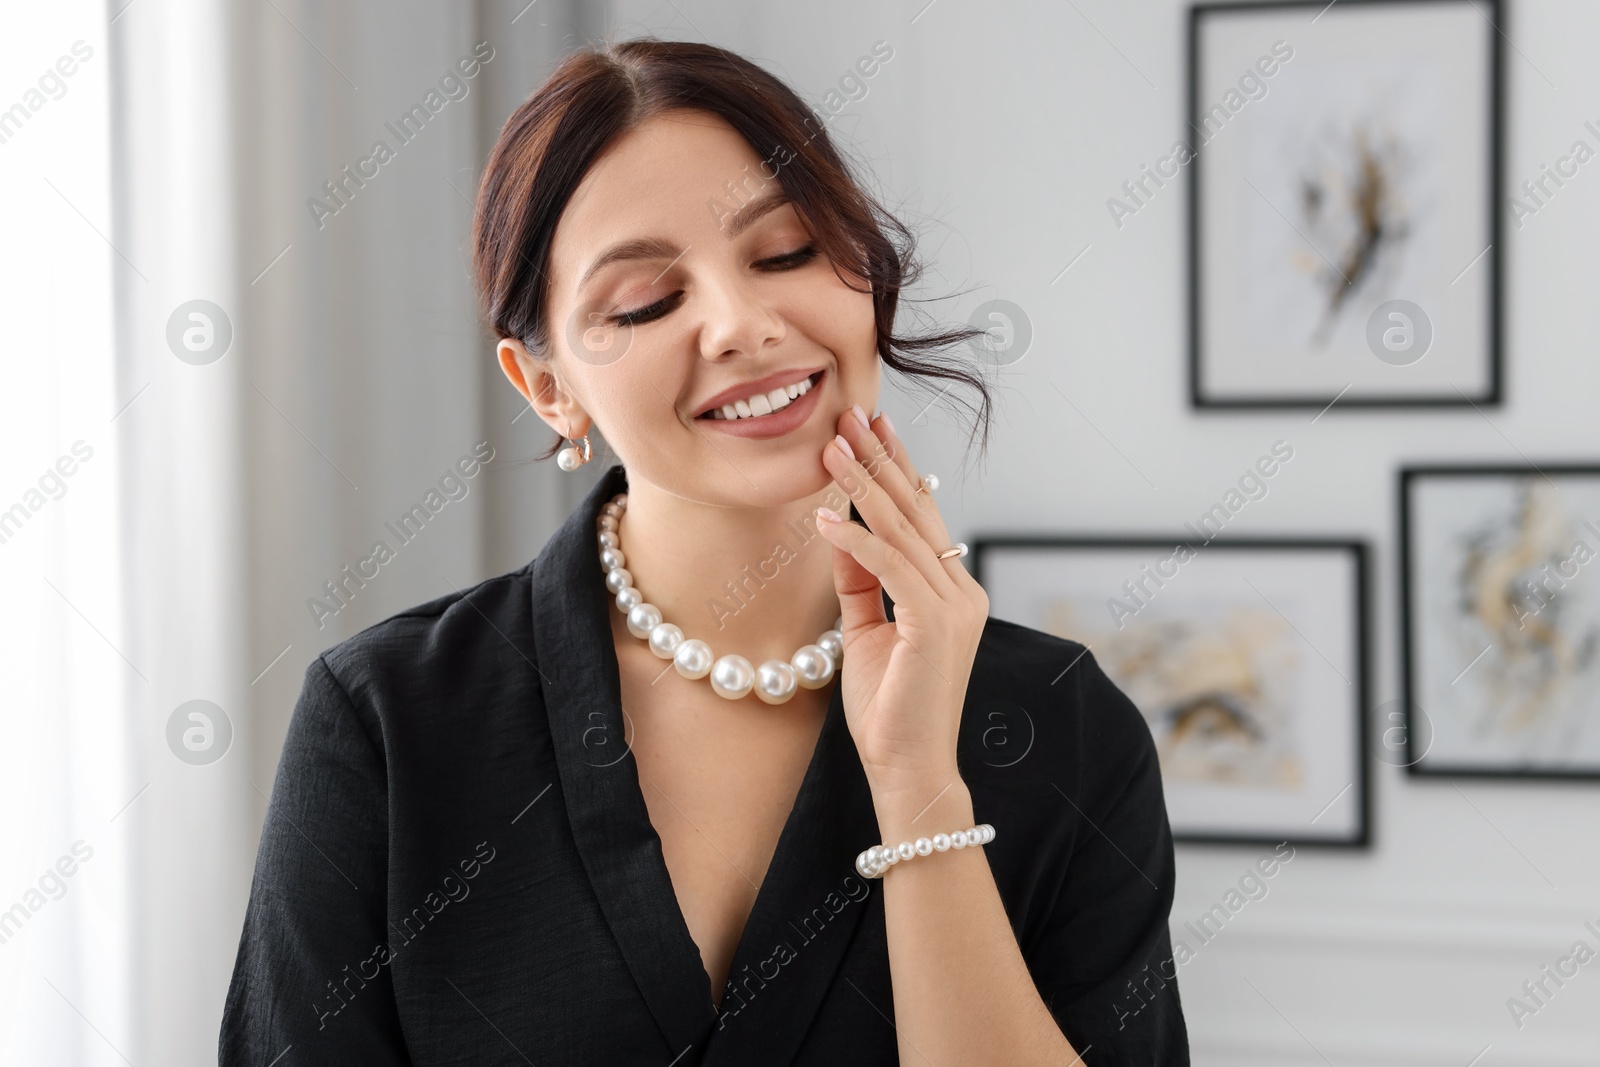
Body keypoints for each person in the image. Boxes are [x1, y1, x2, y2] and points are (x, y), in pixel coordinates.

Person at [220, 37, 1188, 1065]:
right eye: (643, 303)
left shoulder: (1063, 723)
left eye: (785, 254)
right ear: (546, 385)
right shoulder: (392, 719)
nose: (740, 323)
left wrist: (917, 787)